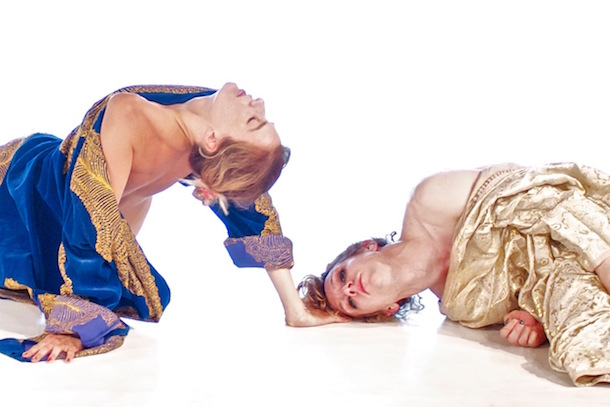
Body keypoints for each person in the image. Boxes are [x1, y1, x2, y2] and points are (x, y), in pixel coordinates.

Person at [0, 83, 336, 364]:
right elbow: (90, 217)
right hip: (25, 182)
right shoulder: (201, 117)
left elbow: (89, 226)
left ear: (213, 140)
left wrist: (294, 309)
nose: (259, 103)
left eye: (253, 120)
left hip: (29, 207)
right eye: (261, 117)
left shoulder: (138, 117)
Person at [299, 162, 610, 387]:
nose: (350, 289)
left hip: (583, 224)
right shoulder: (464, 308)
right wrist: (537, 326)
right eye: (351, 303)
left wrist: (601, 258)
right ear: (388, 309)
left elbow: (542, 195)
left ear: (365, 248)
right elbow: (534, 298)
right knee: (582, 349)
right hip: (567, 275)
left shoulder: (429, 201)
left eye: (341, 277)